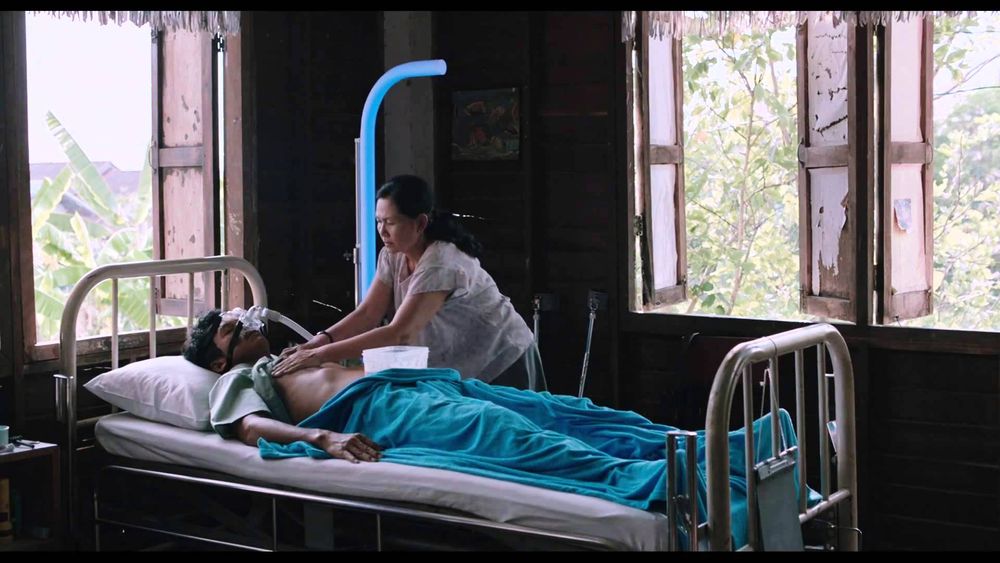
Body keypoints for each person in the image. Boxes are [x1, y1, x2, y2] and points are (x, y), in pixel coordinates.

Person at [183, 307, 811, 546]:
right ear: (217, 359)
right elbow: (249, 430)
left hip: (417, 388)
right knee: (517, 441)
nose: (247, 323)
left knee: (575, 415)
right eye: (233, 329)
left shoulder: (283, 355)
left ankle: (730, 452)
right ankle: (673, 484)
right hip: (381, 414)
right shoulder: (232, 382)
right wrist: (324, 438)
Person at [272, 174, 544, 391]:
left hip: (503, 356)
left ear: (420, 223)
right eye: (378, 221)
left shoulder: (441, 262)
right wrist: (316, 343)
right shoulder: (393, 254)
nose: (382, 231)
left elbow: (399, 332)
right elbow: (368, 313)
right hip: (464, 358)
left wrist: (321, 355)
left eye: (390, 222)